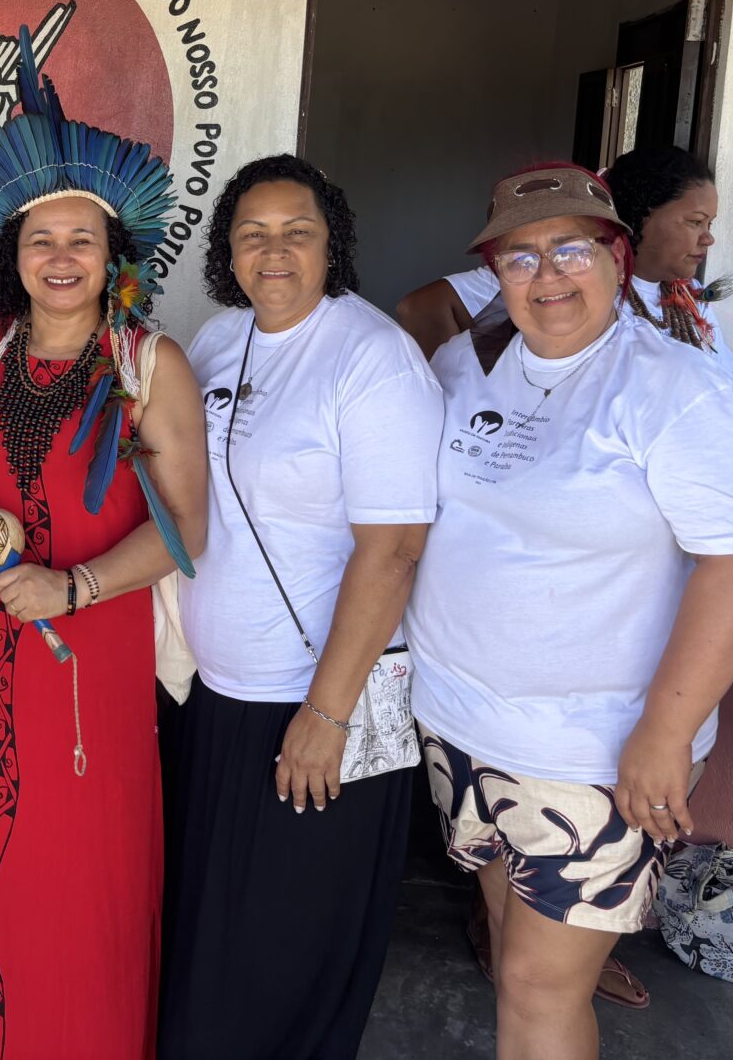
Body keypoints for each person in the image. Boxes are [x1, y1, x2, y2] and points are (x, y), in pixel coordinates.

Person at [405, 162, 733, 1060]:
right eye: (521, 257)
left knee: (540, 987)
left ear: (618, 257)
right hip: (461, 723)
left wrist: (664, 729)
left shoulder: (680, 391)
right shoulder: (465, 364)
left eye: (572, 249)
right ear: (494, 274)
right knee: (509, 957)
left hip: (589, 749)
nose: (548, 275)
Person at [0, 29, 209, 1059]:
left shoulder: (147, 364)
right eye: (42, 242)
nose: (63, 260)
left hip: (92, 657)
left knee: (80, 877)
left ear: (114, 253)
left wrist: (74, 587)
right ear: (12, 254)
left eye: (83, 242)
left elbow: (186, 530)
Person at [158, 155, 442, 1060]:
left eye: (297, 232)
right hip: (218, 696)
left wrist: (326, 712)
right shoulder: (214, 340)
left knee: (291, 954)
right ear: (227, 251)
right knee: (212, 943)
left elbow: (394, 548)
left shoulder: (372, 357)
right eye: (252, 233)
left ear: (333, 245)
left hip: (323, 704)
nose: (273, 251)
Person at [395, 147, 733, 372]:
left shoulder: (688, 299)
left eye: (709, 224)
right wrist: (457, 387)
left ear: (617, 258)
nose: (708, 237)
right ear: (642, 215)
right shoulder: (536, 275)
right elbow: (421, 307)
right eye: (695, 222)